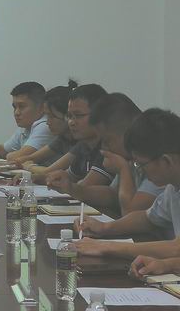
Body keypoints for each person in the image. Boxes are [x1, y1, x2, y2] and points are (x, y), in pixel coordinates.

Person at [75, 109, 180, 260]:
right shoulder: (173, 188)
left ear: (166, 161)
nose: (140, 170)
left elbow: (177, 249)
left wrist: (109, 247)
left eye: (141, 164)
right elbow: (147, 218)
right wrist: (104, 228)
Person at [52, 93, 163, 214]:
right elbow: (113, 195)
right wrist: (71, 188)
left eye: (107, 141)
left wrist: (123, 169)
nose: (103, 148)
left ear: (128, 133)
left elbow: (130, 211)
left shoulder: (157, 159)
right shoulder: (129, 157)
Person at [45, 84, 113, 192]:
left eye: (79, 115)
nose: (71, 122)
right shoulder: (84, 145)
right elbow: (69, 178)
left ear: (99, 114)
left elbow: (85, 187)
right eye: (69, 116)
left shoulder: (109, 146)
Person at [7, 81, 78, 183]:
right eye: (47, 116)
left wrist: (29, 166)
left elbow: (49, 172)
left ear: (68, 117)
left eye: (52, 116)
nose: (48, 122)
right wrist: (3, 167)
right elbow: (28, 158)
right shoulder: (63, 139)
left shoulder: (81, 144)